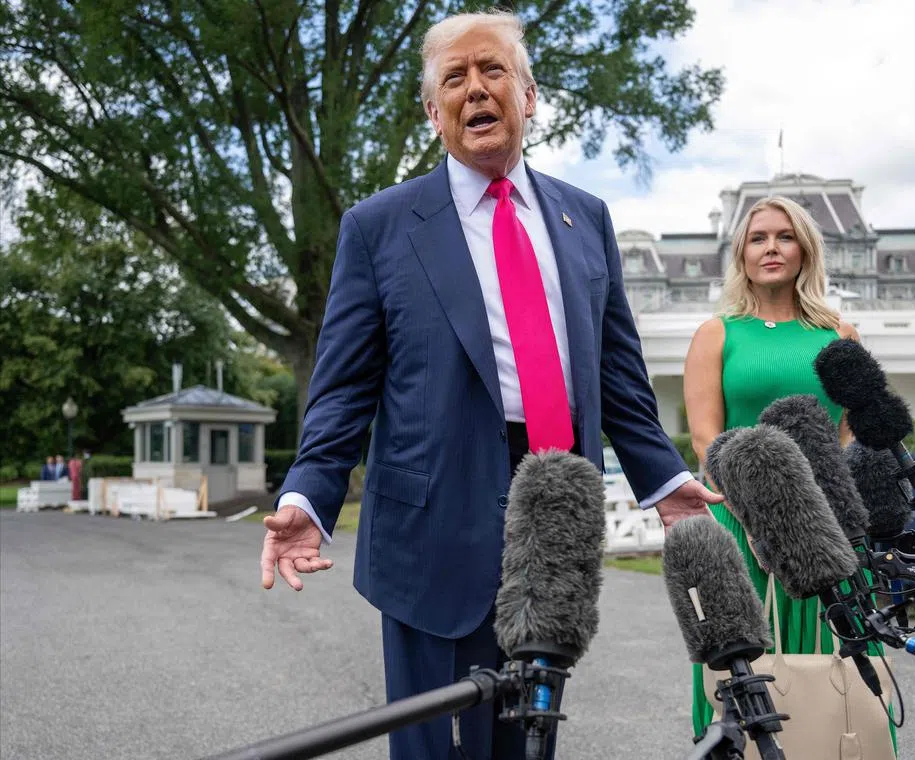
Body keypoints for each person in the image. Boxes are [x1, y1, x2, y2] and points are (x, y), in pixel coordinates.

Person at [258, 11, 721, 760]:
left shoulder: (586, 218)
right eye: (455, 78)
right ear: (432, 110)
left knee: (526, 742)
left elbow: (617, 373)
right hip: (429, 524)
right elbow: (342, 389)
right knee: (428, 747)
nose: (476, 89)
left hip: (552, 517)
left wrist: (663, 479)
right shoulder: (378, 227)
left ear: (529, 95)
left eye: (493, 71)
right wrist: (308, 494)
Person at [682, 196, 896, 752]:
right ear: (741, 253)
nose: (771, 247)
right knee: (743, 672)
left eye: (784, 236)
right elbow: (706, 438)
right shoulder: (717, 333)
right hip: (738, 524)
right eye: (758, 238)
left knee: (838, 669)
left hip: (826, 525)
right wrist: (755, 512)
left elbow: (846, 433)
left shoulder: (838, 335)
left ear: (805, 249)